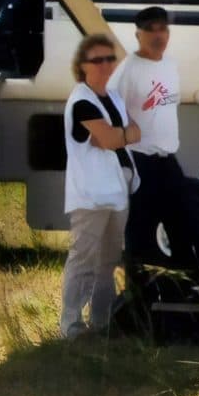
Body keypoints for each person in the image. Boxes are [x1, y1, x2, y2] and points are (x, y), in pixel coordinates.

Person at [111, 7, 199, 271]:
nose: (158, 35)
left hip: (166, 158)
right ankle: (135, 281)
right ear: (138, 34)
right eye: (150, 29)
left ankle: (187, 276)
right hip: (139, 158)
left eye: (162, 28)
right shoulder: (128, 69)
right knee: (140, 222)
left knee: (181, 215)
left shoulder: (170, 65)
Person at [61, 33, 139, 339]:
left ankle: (101, 321)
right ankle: (70, 325)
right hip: (91, 196)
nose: (106, 65)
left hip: (117, 193)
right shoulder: (81, 101)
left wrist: (117, 135)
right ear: (83, 66)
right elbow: (110, 139)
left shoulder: (114, 97)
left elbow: (132, 132)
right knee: (83, 259)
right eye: (98, 60)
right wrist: (122, 134)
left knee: (107, 261)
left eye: (110, 59)